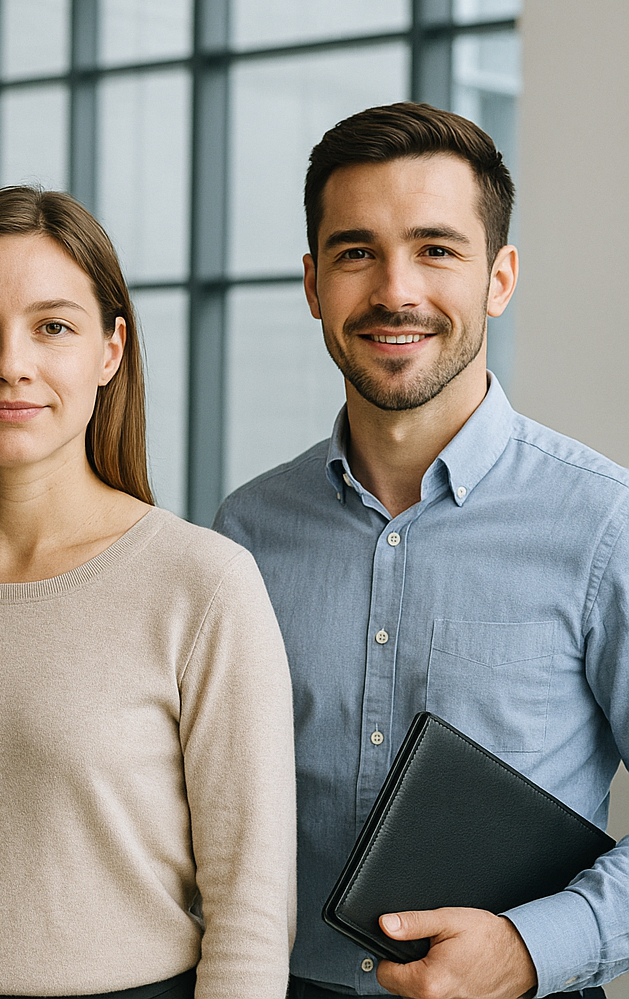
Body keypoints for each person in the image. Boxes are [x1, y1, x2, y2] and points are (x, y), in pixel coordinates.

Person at [0, 187, 297, 999]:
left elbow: (248, 906)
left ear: (110, 351)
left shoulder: (202, 585)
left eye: (53, 327)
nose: (11, 363)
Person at [214, 101, 629, 999]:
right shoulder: (243, 534)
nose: (395, 290)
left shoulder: (604, 524)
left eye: (437, 249)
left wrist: (533, 947)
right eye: (356, 251)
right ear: (313, 283)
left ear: (500, 277)